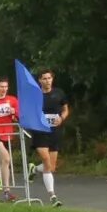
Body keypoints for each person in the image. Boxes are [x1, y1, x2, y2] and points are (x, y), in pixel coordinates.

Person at [30, 69, 69, 205]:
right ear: (40, 80)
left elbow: (65, 109)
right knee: (46, 161)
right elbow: (29, 112)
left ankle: (34, 169)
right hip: (40, 132)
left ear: (52, 79)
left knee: (51, 167)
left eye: (49, 78)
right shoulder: (35, 94)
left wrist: (62, 118)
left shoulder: (59, 93)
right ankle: (53, 197)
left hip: (55, 132)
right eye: (44, 78)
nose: (47, 81)